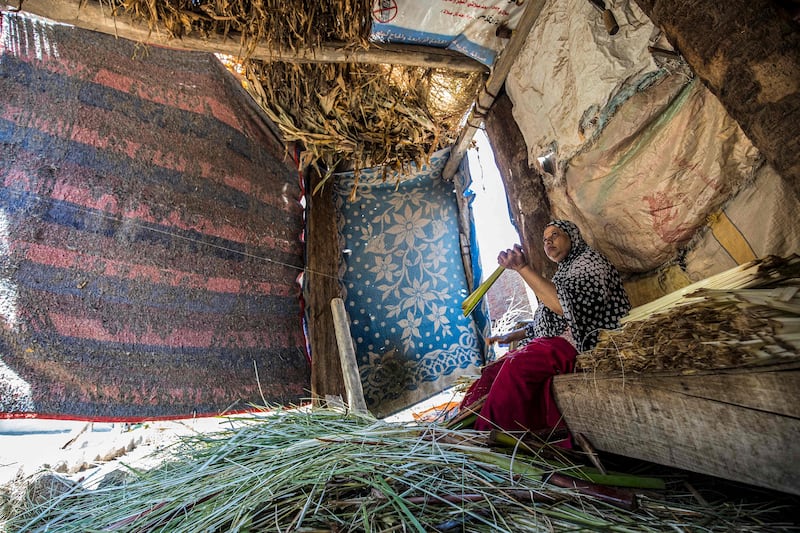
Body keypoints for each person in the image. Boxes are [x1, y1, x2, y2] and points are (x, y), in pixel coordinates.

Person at [461, 219, 631, 434]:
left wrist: (522, 268)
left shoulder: (591, 262)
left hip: (584, 342)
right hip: (555, 343)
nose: (548, 242)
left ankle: (490, 438)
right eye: (545, 240)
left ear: (572, 236)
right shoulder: (562, 273)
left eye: (555, 236)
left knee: (516, 369)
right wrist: (511, 336)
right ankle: (463, 429)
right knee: (493, 371)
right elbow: (549, 320)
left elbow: (565, 308)